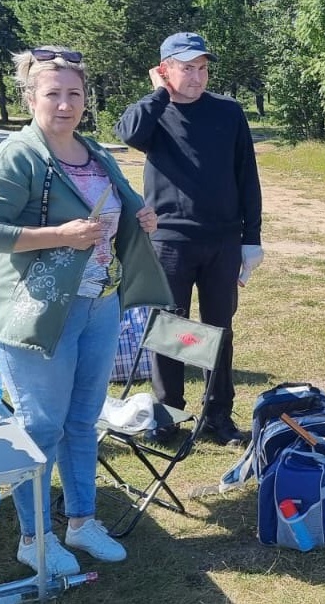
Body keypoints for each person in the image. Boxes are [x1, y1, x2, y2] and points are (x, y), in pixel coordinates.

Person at [0, 47, 172, 574]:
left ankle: (82, 520)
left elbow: (121, 200)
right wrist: (58, 236)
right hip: (40, 313)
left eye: (74, 93)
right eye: (53, 94)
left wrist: (141, 216)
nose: (65, 104)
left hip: (100, 305)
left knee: (82, 421)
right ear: (30, 97)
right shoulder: (18, 155)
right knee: (41, 425)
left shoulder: (91, 151)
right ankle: (34, 536)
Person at [114, 32, 263, 447]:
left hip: (222, 241)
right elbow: (128, 133)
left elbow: (246, 176)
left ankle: (218, 417)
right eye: (186, 69)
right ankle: (167, 415)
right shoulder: (154, 113)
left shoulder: (228, 112)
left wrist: (251, 238)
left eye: (202, 68)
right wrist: (160, 94)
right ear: (165, 70)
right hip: (170, 241)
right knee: (169, 328)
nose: (197, 78)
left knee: (219, 329)